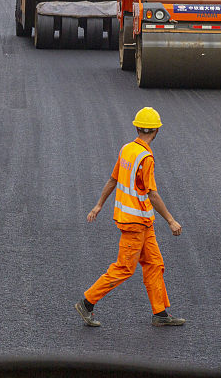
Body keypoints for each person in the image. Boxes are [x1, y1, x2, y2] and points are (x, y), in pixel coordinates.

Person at [76, 107, 185, 328]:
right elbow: (152, 194)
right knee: (124, 268)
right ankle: (87, 303)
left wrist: (99, 205)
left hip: (143, 222)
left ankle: (160, 313)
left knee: (154, 264)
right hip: (134, 223)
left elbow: (112, 179)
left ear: (137, 128)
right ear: (156, 131)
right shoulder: (146, 158)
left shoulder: (127, 149)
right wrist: (171, 220)